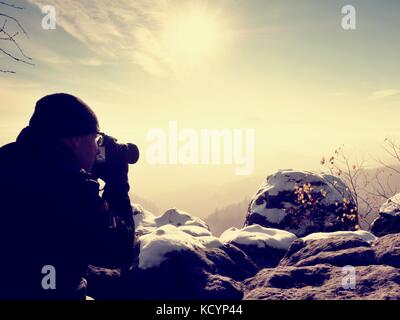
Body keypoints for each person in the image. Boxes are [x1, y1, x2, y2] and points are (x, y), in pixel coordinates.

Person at [0, 93, 135, 300]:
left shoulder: (8, 158)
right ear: (76, 140)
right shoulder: (72, 187)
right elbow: (119, 249)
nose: (97, 148)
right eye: (95, 139)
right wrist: (117, 180)